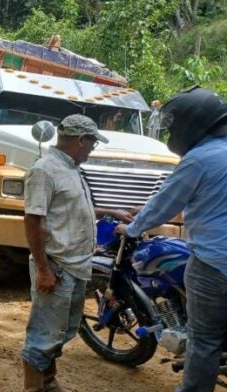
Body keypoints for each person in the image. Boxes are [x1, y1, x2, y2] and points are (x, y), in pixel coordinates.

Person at [115, 87, 227, 392]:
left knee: (204, 339)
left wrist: (133, 227)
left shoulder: (199, 159)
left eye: (174, 123)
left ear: (192, 122)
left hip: (215, 263)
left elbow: (165, 204)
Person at [22, 114, 133, 392]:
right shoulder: (45, 170)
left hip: (74, 266)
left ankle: (48, 382)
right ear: (81, 139)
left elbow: (72, 208)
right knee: (44, 335)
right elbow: (33, 220)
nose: (93, 148)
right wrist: (44, 270)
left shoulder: (71, 168)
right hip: (57, 266)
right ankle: (34, 387)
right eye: (92, 142)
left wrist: (109, 212)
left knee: (63, 331)